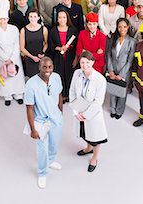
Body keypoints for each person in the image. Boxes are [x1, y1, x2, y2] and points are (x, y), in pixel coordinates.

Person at [24, 57, 64, 189]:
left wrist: (60, 112)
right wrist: (33, 129)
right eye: (44, 67)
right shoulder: (31, 84)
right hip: (40, 121)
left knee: (54, 143)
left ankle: (51, 161)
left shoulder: (56, 77)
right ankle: (42, 173)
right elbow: (29, 107)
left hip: (56, 119)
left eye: (50, 67)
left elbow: (59, 94)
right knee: (42, 150)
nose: (47, 70)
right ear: (39, 68)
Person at [69, 51, 108, 172]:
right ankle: (88, 148)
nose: (84, 65)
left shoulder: (100, 79)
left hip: (92, 114)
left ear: (93, 62)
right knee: (84, 133)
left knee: (95, 137)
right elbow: (72, 92)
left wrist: (86, 115)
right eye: (82, 62)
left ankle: (94, 158)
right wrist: (75, 112)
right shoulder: (77, 73)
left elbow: (98, 102)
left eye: (87, 62)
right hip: (79, 111)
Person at [0, 0, 26, 106]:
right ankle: (7, 95)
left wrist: (12, 58)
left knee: (16, 75)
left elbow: (17, 44)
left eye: (4, 19)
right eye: (0, 19)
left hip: (14, 57)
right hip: (2, 59)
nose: (2, 21)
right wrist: (5, 58)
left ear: (8, 19)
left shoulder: (14, 29)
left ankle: (18, 94)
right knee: (5, 77)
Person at [106, 18, 136, 119]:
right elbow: (109, 55)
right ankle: (113, 109)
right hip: (113, 69)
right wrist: (110, 70)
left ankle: (119, 111)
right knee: (113, 90)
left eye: (124, 27)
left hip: (124, 71)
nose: (122, 29)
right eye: (119, 27)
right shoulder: (113, 39)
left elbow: (130, 60)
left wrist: (121, 74)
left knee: (122, 92)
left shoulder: (132, 41)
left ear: (128, 27)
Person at [49, 10, 78, 103]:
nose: (62, 19)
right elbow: (51, 46)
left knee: (70, 76)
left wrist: (76, 59)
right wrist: (59, 48)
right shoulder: (53, 31)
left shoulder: (73, 30)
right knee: (59, 76)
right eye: (60, 17)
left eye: (64, 17)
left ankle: (70, 95)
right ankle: (62, 95)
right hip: (58, 57)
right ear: (57, 19)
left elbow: (77, 45)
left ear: (67, 18)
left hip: (70, 56)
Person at [20, 9, 48, 77]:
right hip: (29, 58)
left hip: (41, 57)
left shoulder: (44, 29)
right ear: (28, 17)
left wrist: (43, 52)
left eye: (35, 16)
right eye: (31, 17)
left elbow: (46, 43)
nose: (33, 19)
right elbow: (22, 47)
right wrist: (32, 57)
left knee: (43, 78)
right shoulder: (23, 30)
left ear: (38, 17)